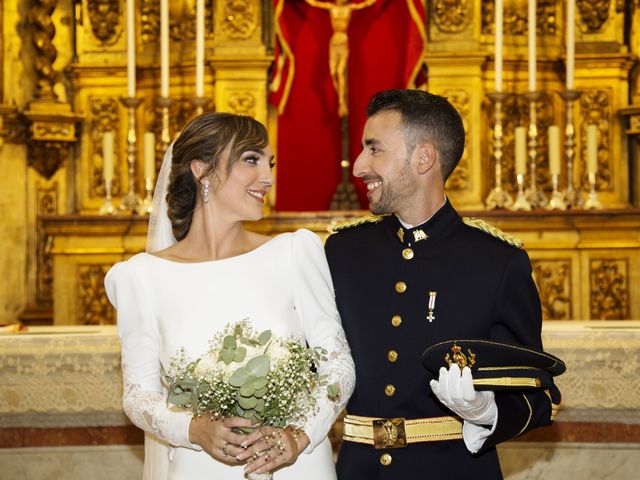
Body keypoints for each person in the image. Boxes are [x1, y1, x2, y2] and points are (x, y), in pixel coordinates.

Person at [324, 90, 561, 479]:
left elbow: (540, 394)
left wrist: (487, 413)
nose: (359, 166)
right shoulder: (343, 252)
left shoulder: (497, 261)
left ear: (423, 158)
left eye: (374, 149)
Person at [105, 112, 355, 480]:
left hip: (297, 466)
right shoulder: (140, 278)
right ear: (201, 170)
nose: (268, 177)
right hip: (202, 466)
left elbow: (339, 366)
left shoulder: (294, 253)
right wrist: (194, 429)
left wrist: (298, 436)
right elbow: (138, 397)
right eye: (251, 159)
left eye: (270, 163)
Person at [304, 0, 377, 117]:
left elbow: (366, 4)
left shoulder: (349, 8)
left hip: (343, 40)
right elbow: (314, 3)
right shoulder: (330, 7)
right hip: (334, 41)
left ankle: (342, 102)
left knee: (340, 71)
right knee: (333, 72)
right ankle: (340, 96)